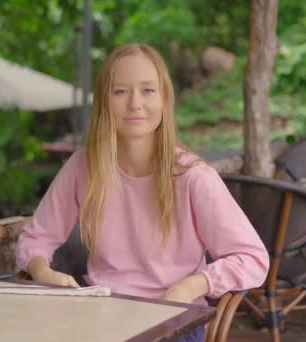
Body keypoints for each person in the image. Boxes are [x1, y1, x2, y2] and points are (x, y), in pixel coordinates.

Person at [15, 43, 269, 341]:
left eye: (148, 90)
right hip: (101, 315)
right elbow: (36, 237)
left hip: (173, 320)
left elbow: (252, 257)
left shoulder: (193, 177)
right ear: (104, 102)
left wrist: (192, 285)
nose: (135, 103)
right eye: (121, 91)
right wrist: (43, 272)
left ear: (164, 99)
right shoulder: (83, 166)